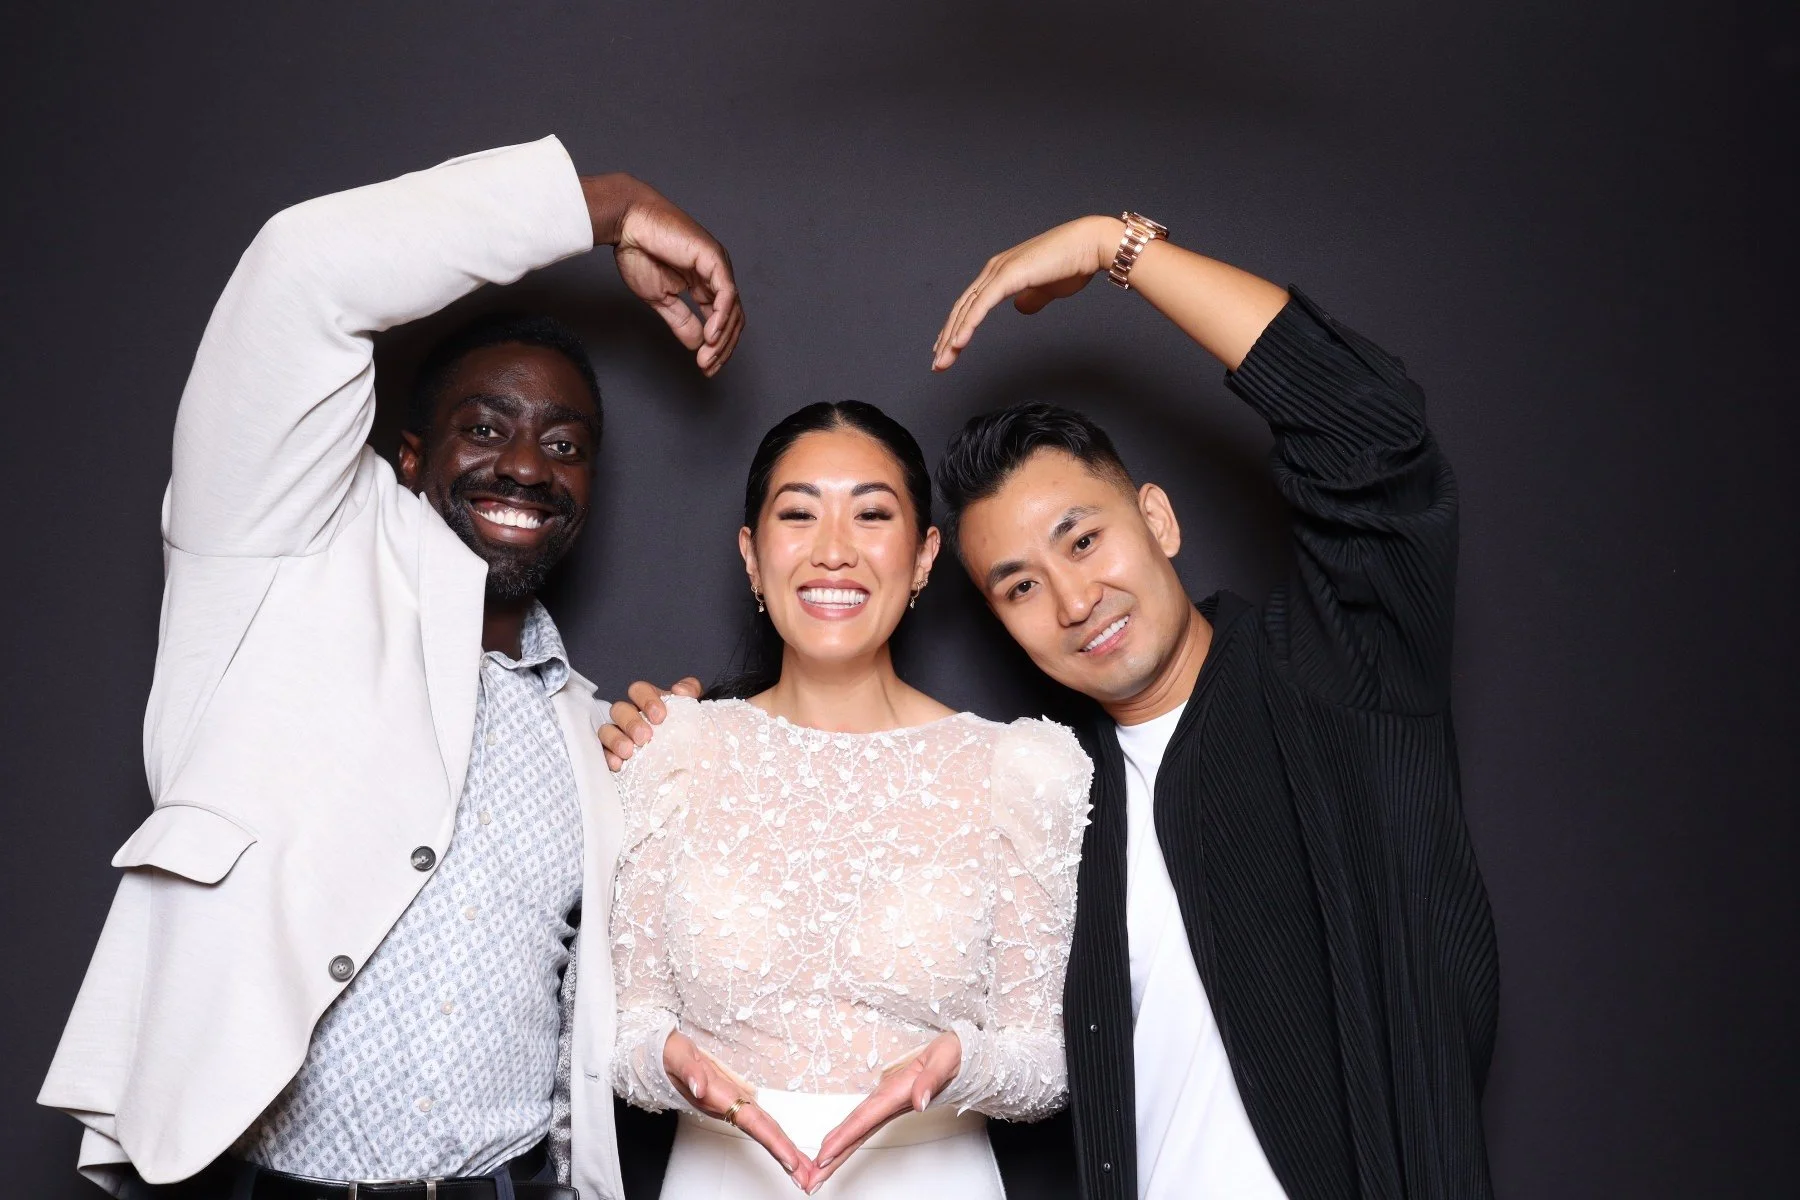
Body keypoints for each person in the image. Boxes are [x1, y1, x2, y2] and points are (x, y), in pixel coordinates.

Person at [608, 212, 1497, 1199]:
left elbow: (1371, 432)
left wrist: (1119, 250)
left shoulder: (1337, 679)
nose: (1074, 602)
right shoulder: (1069, 786)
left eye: (1084, 542)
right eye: (1019, 586)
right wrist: (689, 733)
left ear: (1157, 519)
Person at [39, 136, 744, 1200]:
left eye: (565, 444)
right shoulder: (275, 555)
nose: (523, 465)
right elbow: (301, 269)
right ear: (407, 455)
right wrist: (610, 205)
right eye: (485, 427)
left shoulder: (590, 733)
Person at [606, 401, 1092, 1198]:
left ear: (925, 554)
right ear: (753, 557)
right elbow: (626, 1034)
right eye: (799, 514)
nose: (834, 552)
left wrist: (960, 1064)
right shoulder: (671, 749)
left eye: (871, 514)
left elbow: (1044, 1062)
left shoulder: (1020, 769)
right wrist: (670, 1065)